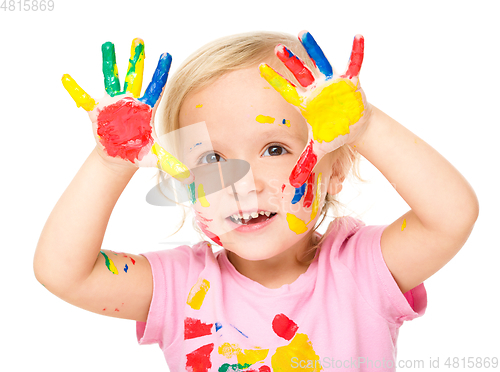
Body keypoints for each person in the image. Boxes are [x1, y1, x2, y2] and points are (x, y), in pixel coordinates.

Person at [34, 31, 479, 371]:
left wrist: (365, 126)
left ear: (335, 170)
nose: (241, 184)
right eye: (212, 157)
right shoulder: (180, 287)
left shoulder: (362, 269)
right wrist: (110, 162)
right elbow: (63, 273)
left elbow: (450, 216)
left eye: (274, 149)